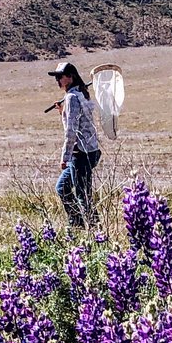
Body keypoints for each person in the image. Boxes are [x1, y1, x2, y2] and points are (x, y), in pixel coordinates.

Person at [48, 60, 101, 228]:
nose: (58, 81)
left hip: (80, 153)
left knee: (81, 194)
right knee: (65, 189)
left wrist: (65, 156)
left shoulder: (71, 97)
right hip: (89, 150)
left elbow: (71, 131)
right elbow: (78, 121)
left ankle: (93, 229)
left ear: (70, 77)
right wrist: (63, 112)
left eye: (60, 77)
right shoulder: (81, 94)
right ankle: (78, 224)